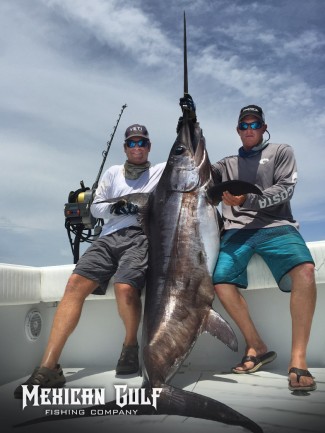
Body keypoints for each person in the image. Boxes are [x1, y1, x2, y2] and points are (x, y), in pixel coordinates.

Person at [14, 124, 166, 398]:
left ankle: (130, 345)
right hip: (107, 236)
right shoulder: (113, 173)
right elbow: (95, 206)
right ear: (125, 148)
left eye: (142, 142)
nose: (137, 147)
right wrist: (116, 206)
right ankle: (49, 368)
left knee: (124, 287)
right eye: (131, 143)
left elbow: (187, 161)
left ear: (149, 146)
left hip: (140, 236)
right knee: (74, 284)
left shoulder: (161, 171)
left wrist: (188, 119)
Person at [211, 104, 317, 392]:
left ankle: (298, 358)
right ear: (237, 130)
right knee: (220, 282)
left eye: (254, 124)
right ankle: (256, 345)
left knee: (306, 271)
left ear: (263, 127)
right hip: (236, 232)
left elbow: (285, 188)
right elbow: (202, 176)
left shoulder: (282, 151)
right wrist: (189, 127)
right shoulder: (225, 164)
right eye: (243, 125)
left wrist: (247, 200)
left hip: (277, 226)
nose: (249, 130)